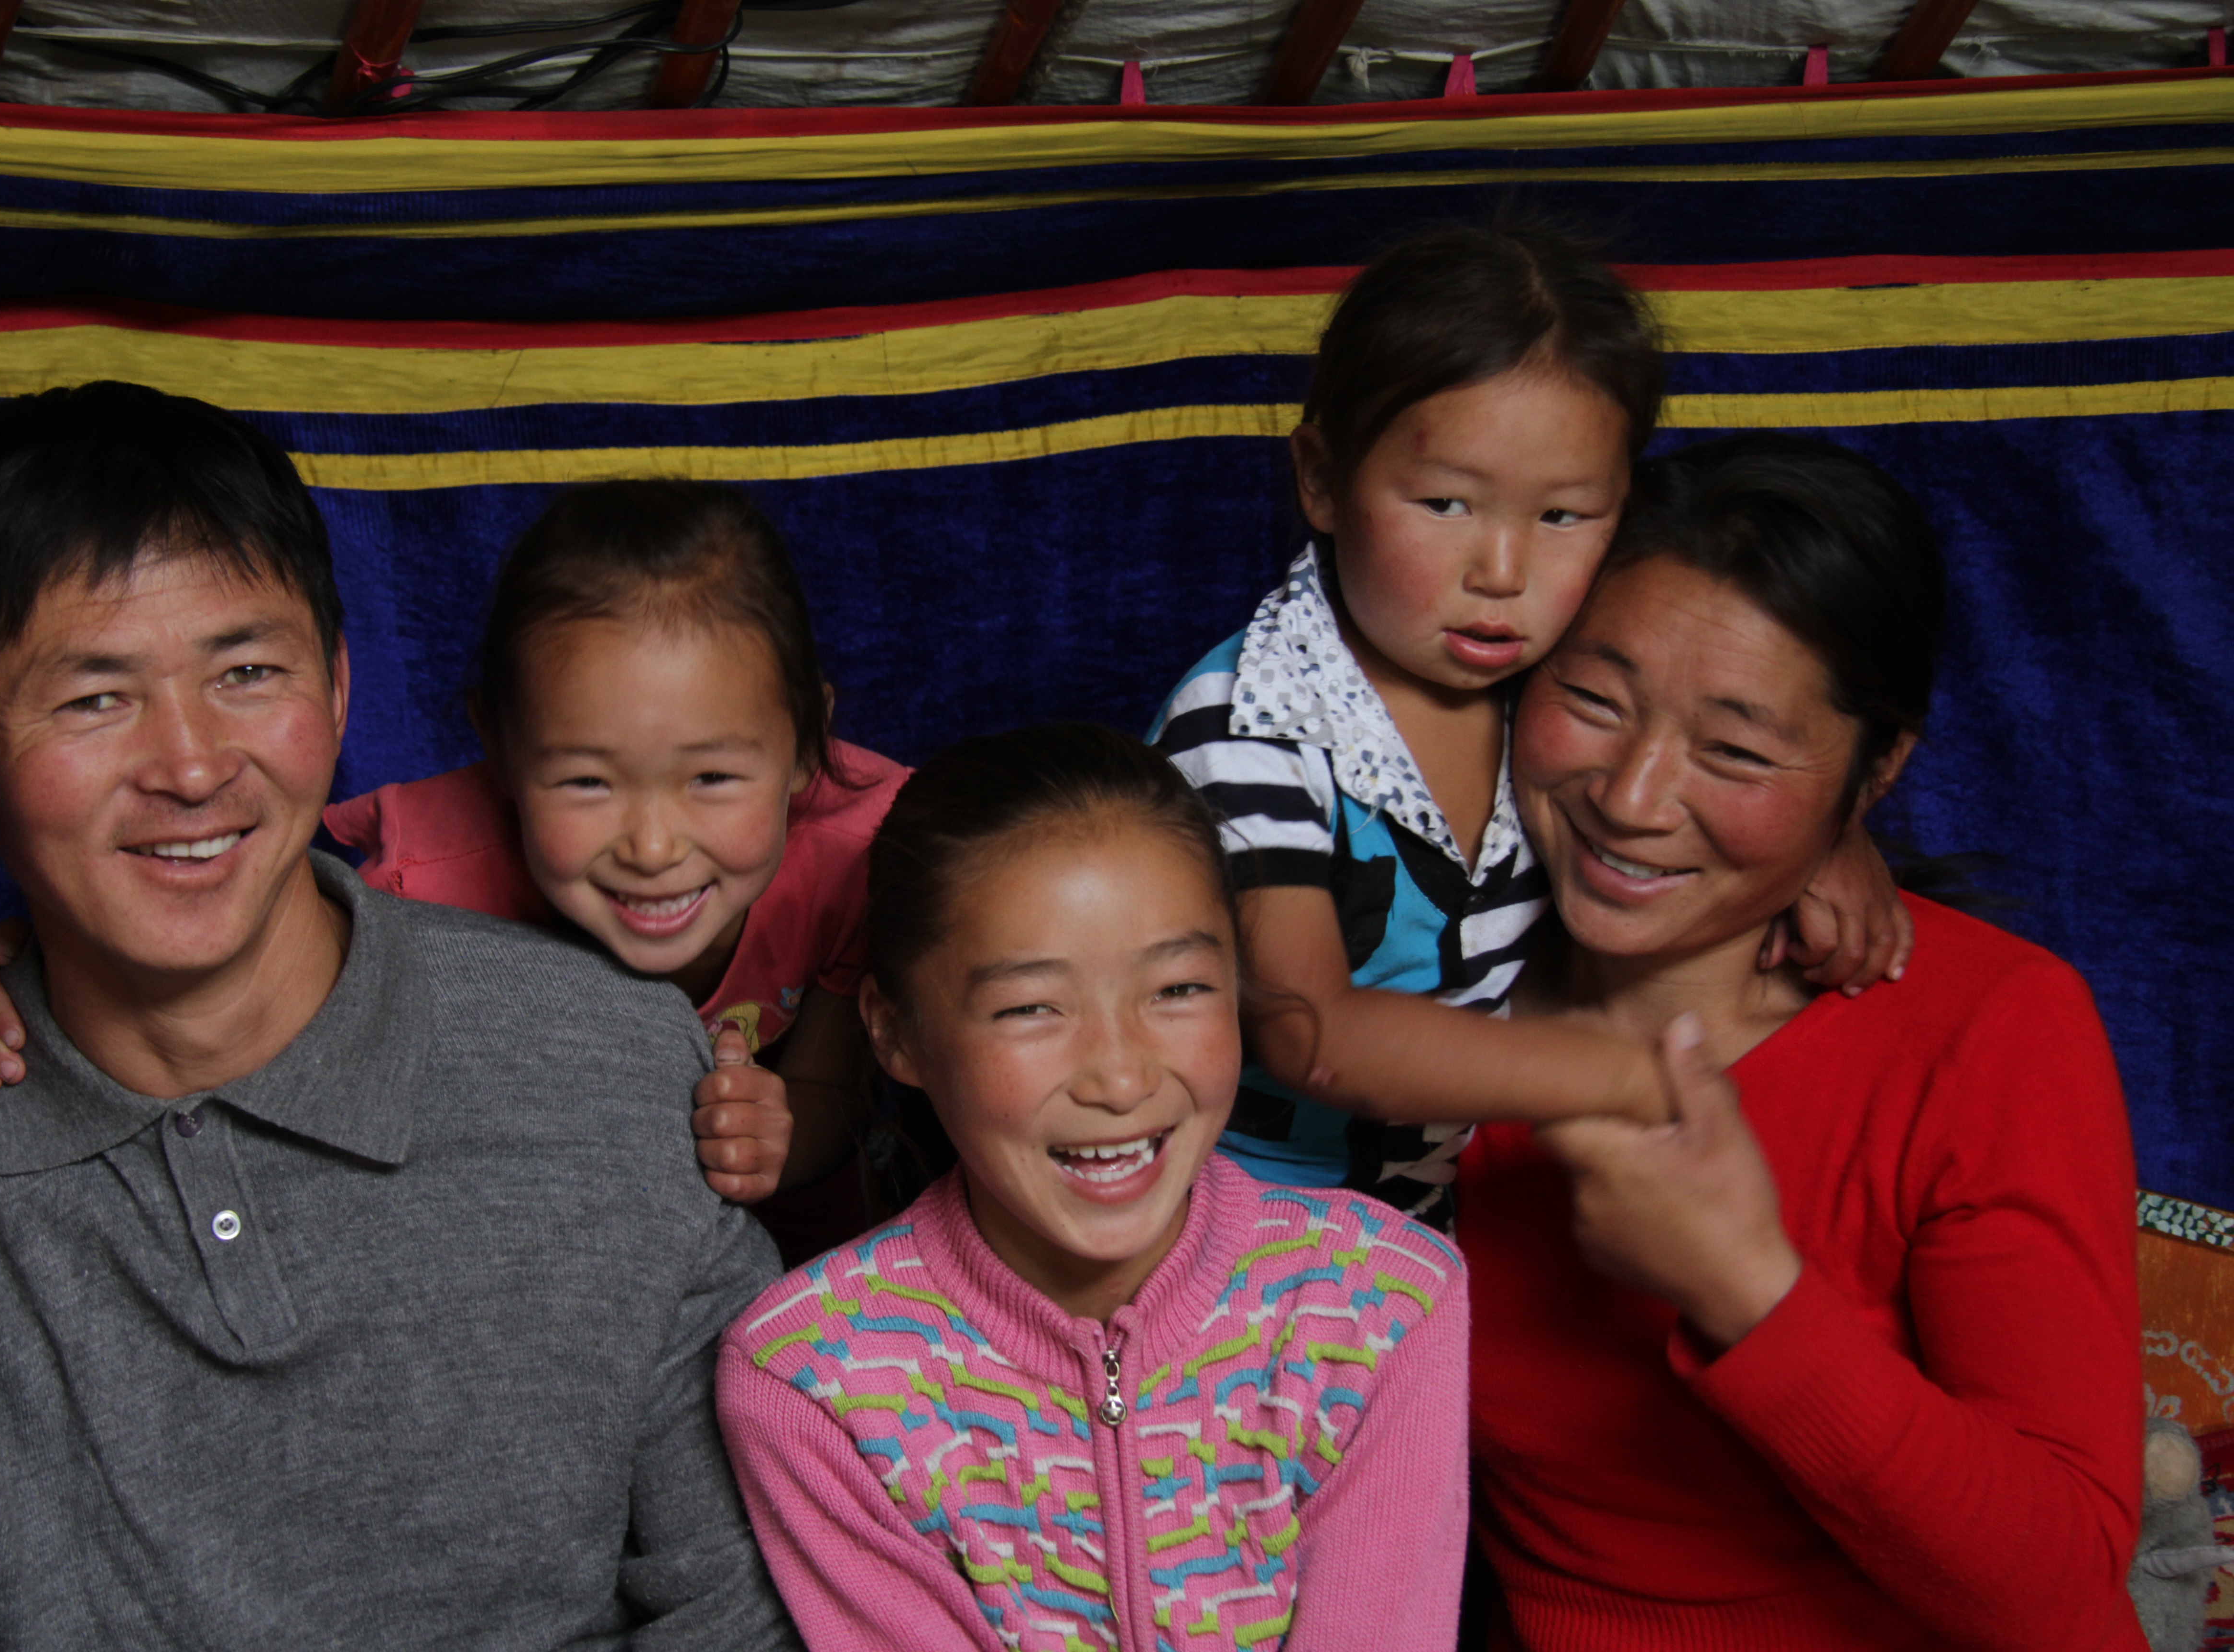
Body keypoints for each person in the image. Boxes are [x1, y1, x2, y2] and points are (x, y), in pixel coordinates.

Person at [0, 382, 798, 1647]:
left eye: (247, 671)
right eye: (95, 698)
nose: (192, 767)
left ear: (342, 689)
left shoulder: (615, 1070)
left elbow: (740, 1597)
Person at [1457, 434, 2145, 1650]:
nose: (1632, 795)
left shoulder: (1988, 1028)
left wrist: (1746, 1286)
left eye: (1735, 752)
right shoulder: (1414, 999)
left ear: (1876, 773)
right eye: (1594, 701)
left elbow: (2063, 1596)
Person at [0, 480, 906, 1261]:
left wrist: (779, 1136)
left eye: (715, 777)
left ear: (807, 747)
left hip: (799, 1270)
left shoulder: (861, 863)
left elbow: (828, 1079)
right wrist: (24, 959)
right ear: (500, 750)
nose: (651, 846)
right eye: (587, 783)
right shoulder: (426, 883)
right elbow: (226, 947)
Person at [1151, 224, 1908, 1223]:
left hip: (1425, 1242)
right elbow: (1310, 1033)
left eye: (1562, 518)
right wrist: (1610, 1077)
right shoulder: (1248, 733)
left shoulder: (1559, 684)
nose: (1502, 574)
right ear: (1325, 482)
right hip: (1225, 1233)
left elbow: (1700, 765)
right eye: (1446, 503)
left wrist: (1831, 837)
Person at [716, 725, 1471, 1652]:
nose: (1119, 1078)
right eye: (1032, 1008)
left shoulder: (1384, 1302)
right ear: (895, 1033)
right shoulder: (810, 1376)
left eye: (1180, 989)